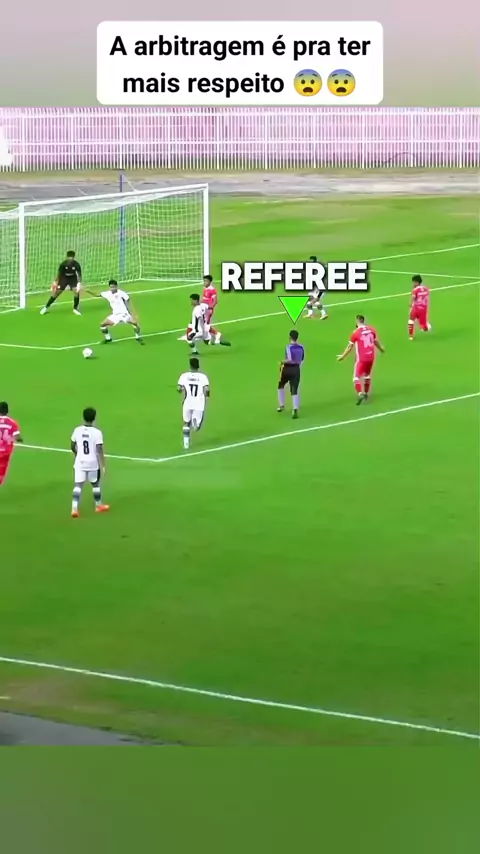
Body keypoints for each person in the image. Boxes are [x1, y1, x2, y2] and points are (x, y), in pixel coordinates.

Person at [337, 314, 385, 404]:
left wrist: (343, 356)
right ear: (364, 321)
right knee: (367, 375)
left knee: (356, 377)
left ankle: (360, 393)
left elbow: (349, 347)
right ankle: (366, 393)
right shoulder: (372, 329)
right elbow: (375, 341)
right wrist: (381, 349)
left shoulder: (356, 333)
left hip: (362, 358)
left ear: (357, 321)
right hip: (371, 357)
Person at [70, 407, 109, 517]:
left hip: (80, 462)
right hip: (92, 463)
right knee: (95, 484)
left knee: (78, 485)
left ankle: (74, 509)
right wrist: (103, 464)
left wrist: (77, 454)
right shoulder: (97, 433)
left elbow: (72, 445)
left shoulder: (77, 430)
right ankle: (98, 505)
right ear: (94, 418)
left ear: (83, 417)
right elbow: (99, 449)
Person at [85, 279, 144, 345]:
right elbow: (97, 294)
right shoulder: (107, 294)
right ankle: (108, 338)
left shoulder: (121, 293)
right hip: (115, 315)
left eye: (113, 287)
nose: (112, 288)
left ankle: (138, 337)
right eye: (111, 287)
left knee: (135, 323)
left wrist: (132, 313)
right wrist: (88, 291)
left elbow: (128, 302)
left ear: (116, 286)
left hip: (124, 314)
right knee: (102, 324)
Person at [177, 357, 210, 450]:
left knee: (186, 423)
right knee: (197, 428)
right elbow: (206, 389)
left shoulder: (184, 376)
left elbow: (179, 388)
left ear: (190, 365)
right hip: (199, 404)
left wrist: (182, 389)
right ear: (198, 366)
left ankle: (186, 443)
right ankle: (195, 423)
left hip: (187, 402)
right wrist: (207, 396)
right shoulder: (203, 377)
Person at [40, 250, 83, 316]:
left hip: (73, 278)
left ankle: (75, 309)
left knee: (76, 292)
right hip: (64, 278)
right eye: (69, 258)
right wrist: (55, 282)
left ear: (74, 257)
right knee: (57, 293)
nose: (70, 259)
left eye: (71, 258)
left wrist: (79, 283)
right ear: (67, 257)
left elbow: (79, 274)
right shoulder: (63, 264)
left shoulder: (76, 264)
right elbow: (59, 274)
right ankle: (46, 307)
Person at [277, 330, 305, 419]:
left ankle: (281, 405)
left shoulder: (288, 347)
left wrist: (282, 362)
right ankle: (295, 408)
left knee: (281, 385)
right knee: (294, 389)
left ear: (290, 337)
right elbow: (302, 359)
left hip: (287, 369)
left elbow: (289, 359)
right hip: (296, 369)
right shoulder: (301, 347)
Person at [0, 402, 23, 486]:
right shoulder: (12, 423)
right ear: (7, 411)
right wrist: (20, 439)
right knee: (1, 471)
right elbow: (17, 437)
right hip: (5, 452)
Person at [409, 275, 431, 339]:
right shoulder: (426, 289)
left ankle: (411, 336)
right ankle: (411, 336)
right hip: (424, 309)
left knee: (411, 320)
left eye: (414, 282)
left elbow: (413, 298)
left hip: (416, 308)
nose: (413, 283)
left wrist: (410, 304)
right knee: (422, 326)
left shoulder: (415, 290)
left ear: (417, 282)